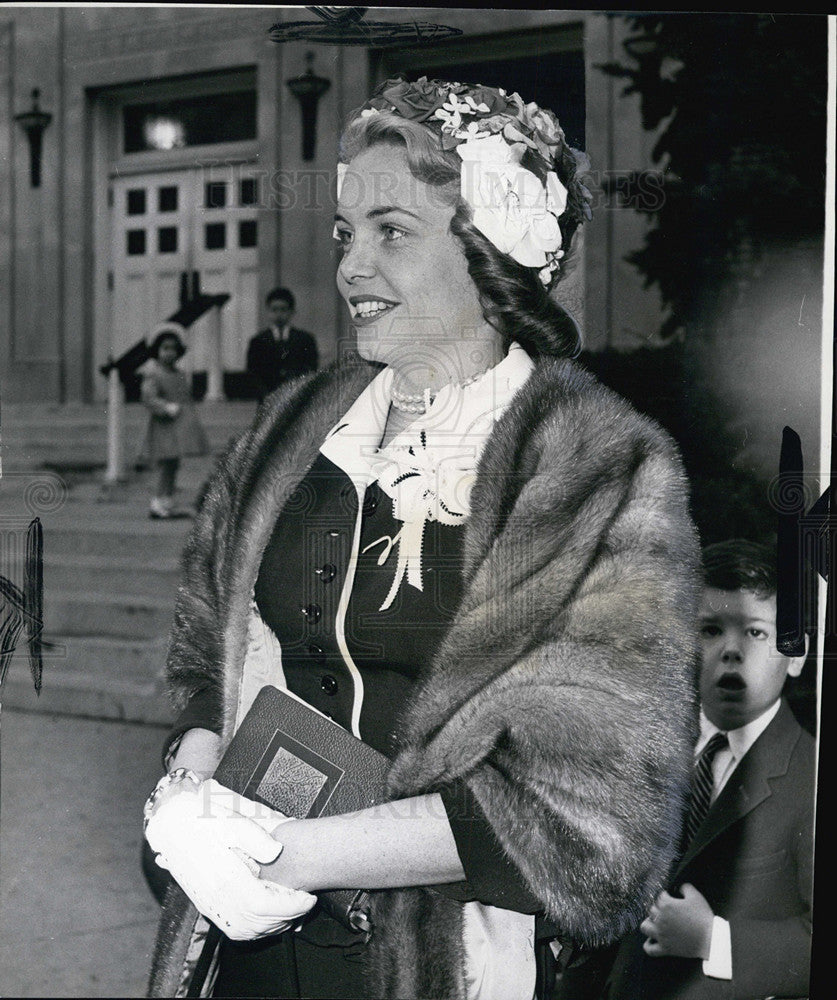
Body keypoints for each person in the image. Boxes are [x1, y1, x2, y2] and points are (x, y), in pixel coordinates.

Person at [144, 77, 701, 1000]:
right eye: (343, 234)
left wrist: (286, 856)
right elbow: (213, 653)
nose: (350, 267)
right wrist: (193, 796)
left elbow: (590, 808)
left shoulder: (595, 469)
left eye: (391, 231)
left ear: (486, 250)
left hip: (440, 961)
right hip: (235, 939)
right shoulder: (293, 428)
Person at [603, 539, 815, 1000]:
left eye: (756, 633)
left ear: (796, 653)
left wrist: (714, 941)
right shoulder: (645, 750)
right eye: (709, 630)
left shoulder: (811, 776)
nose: (731, 651)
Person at [140, 326, 209, 520]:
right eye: (164, 348)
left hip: (178, 426)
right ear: (156, 351)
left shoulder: (178, 373)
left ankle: (167, 500)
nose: (169, 353)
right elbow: (148, 397)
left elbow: (184, 397)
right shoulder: (154, 374)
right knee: (164, 464)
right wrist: (165, 407)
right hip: (163, 426)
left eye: (173, 348)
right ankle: (157, 501)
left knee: (173, 463)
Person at [246, 287, 319, 402]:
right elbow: (253, 373)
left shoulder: (305, 339)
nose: (279, 314)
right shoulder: (258, 341)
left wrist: (298, 392)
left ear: (292, 312)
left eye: (283, 309)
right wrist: (265, 395)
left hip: (296, 399)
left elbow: (310, 369)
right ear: (268, 311)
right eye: (274, 310)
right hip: (267, 400)